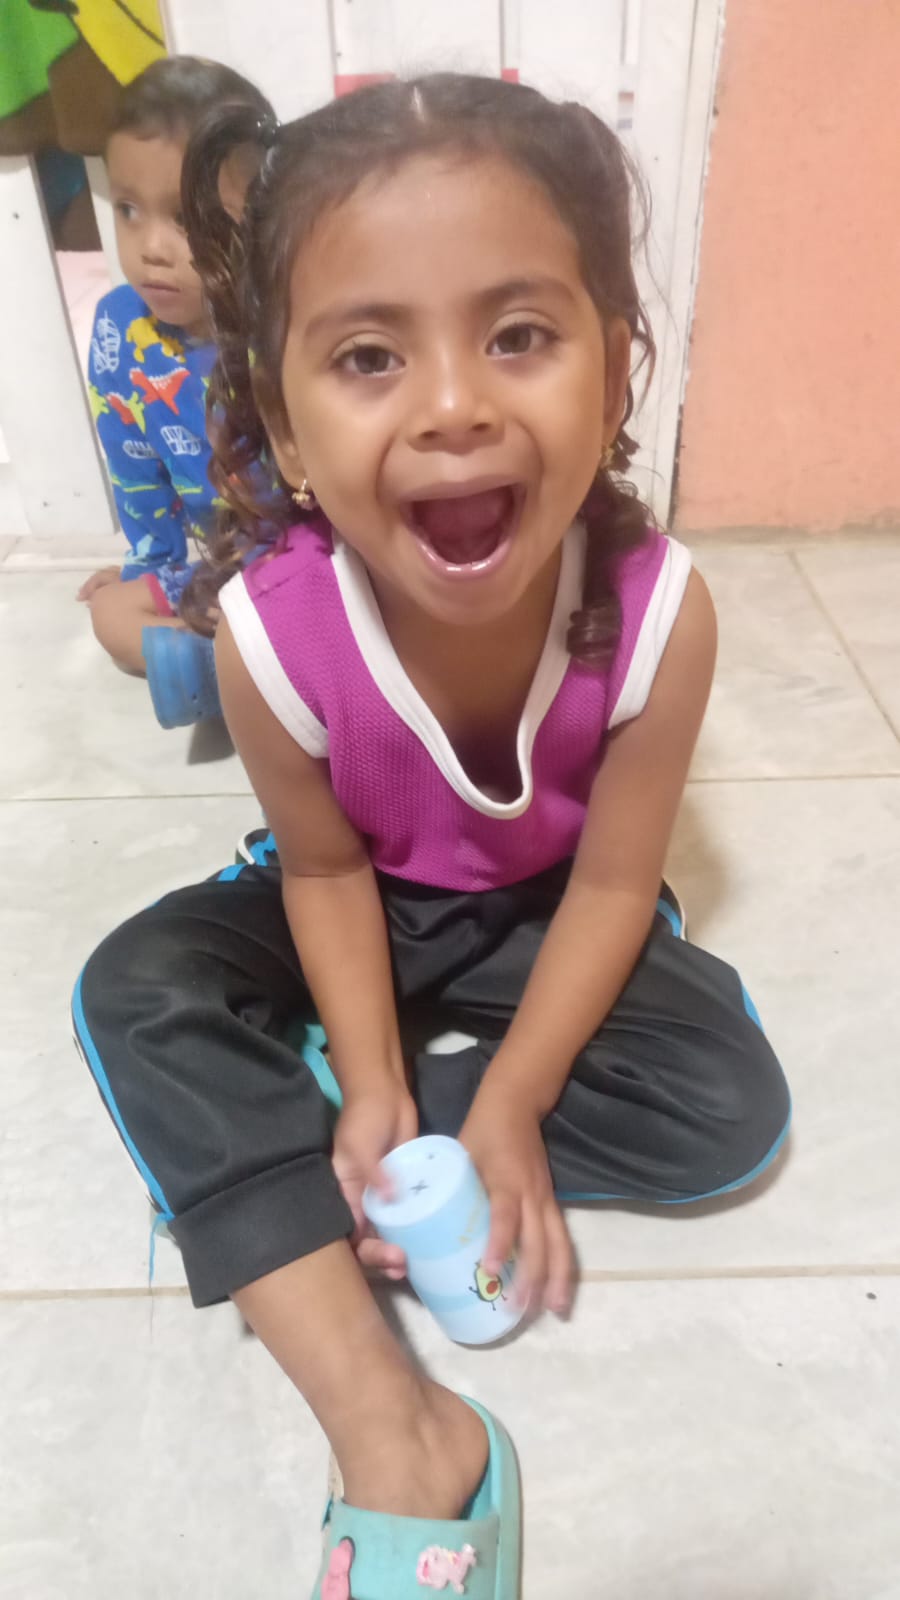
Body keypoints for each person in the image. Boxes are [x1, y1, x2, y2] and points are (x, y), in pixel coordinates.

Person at [73, 75, 791, 1596]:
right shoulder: (270, 633)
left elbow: (617, 880)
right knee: (136, 989)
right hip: (359, 898)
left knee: (731, 1109)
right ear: (285, 422)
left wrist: (508, 1105)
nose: (455, 403)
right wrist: (378, 1071)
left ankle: (294, 1133)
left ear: (618, 366)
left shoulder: (662, 615)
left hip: (549, 907)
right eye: (369, 356)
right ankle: (401, 1436)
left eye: (519, 334)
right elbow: (325, 865)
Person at [78, 55, 272, 725]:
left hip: (308, 564)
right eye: (128, 210)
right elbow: (130, 458)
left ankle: (265, 670)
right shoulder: (119, 327)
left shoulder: (280, 324)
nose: (151, 248)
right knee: (109, 613)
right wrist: (151, 564)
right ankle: (227, 675)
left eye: (187, 219)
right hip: (216, 573)